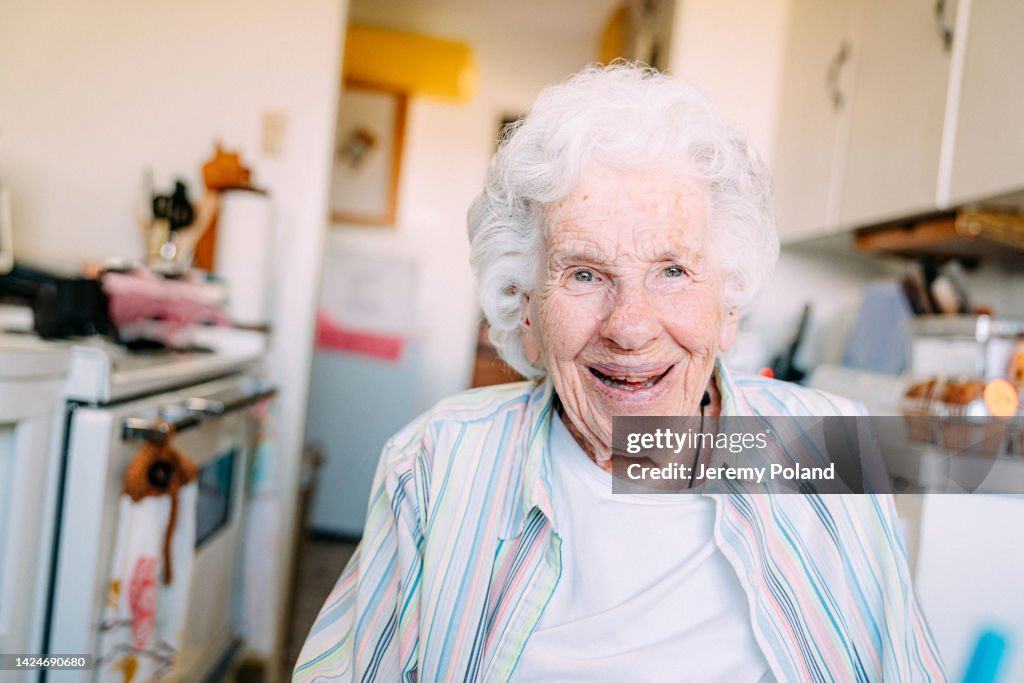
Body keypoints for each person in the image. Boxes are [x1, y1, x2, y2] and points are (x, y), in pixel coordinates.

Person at [293, 64, 945, 682]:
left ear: (728, 307)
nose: (629, 327)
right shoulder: (436, 463)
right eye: (583, 273)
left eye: (672, 271)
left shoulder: (829, 451)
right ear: (526, 309)